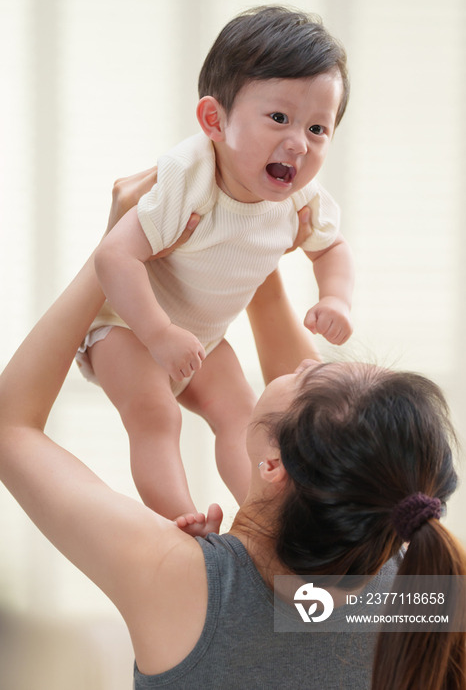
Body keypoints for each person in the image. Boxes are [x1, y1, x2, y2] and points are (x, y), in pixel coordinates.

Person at [0, 197, 465, 688]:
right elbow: (324, 428)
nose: (305, 363)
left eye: (313, 375)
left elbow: (11, 429)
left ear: (273, 466)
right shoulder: (422, 594)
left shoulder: (180, 581)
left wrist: (114, 254)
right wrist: (250, 236)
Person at [76, 6, 355, 528]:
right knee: (155, 417)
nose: (299, 142)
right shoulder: (189, 178)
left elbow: (332, 247)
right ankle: (182, 518)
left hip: (203, 335)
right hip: (126, 327)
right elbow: (114, 255)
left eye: (318, 128)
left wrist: (334, 297)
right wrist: (157, 333)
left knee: (247, 415)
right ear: (215, 120)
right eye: (279, 118)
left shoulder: (299, 199)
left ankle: (264, 515)